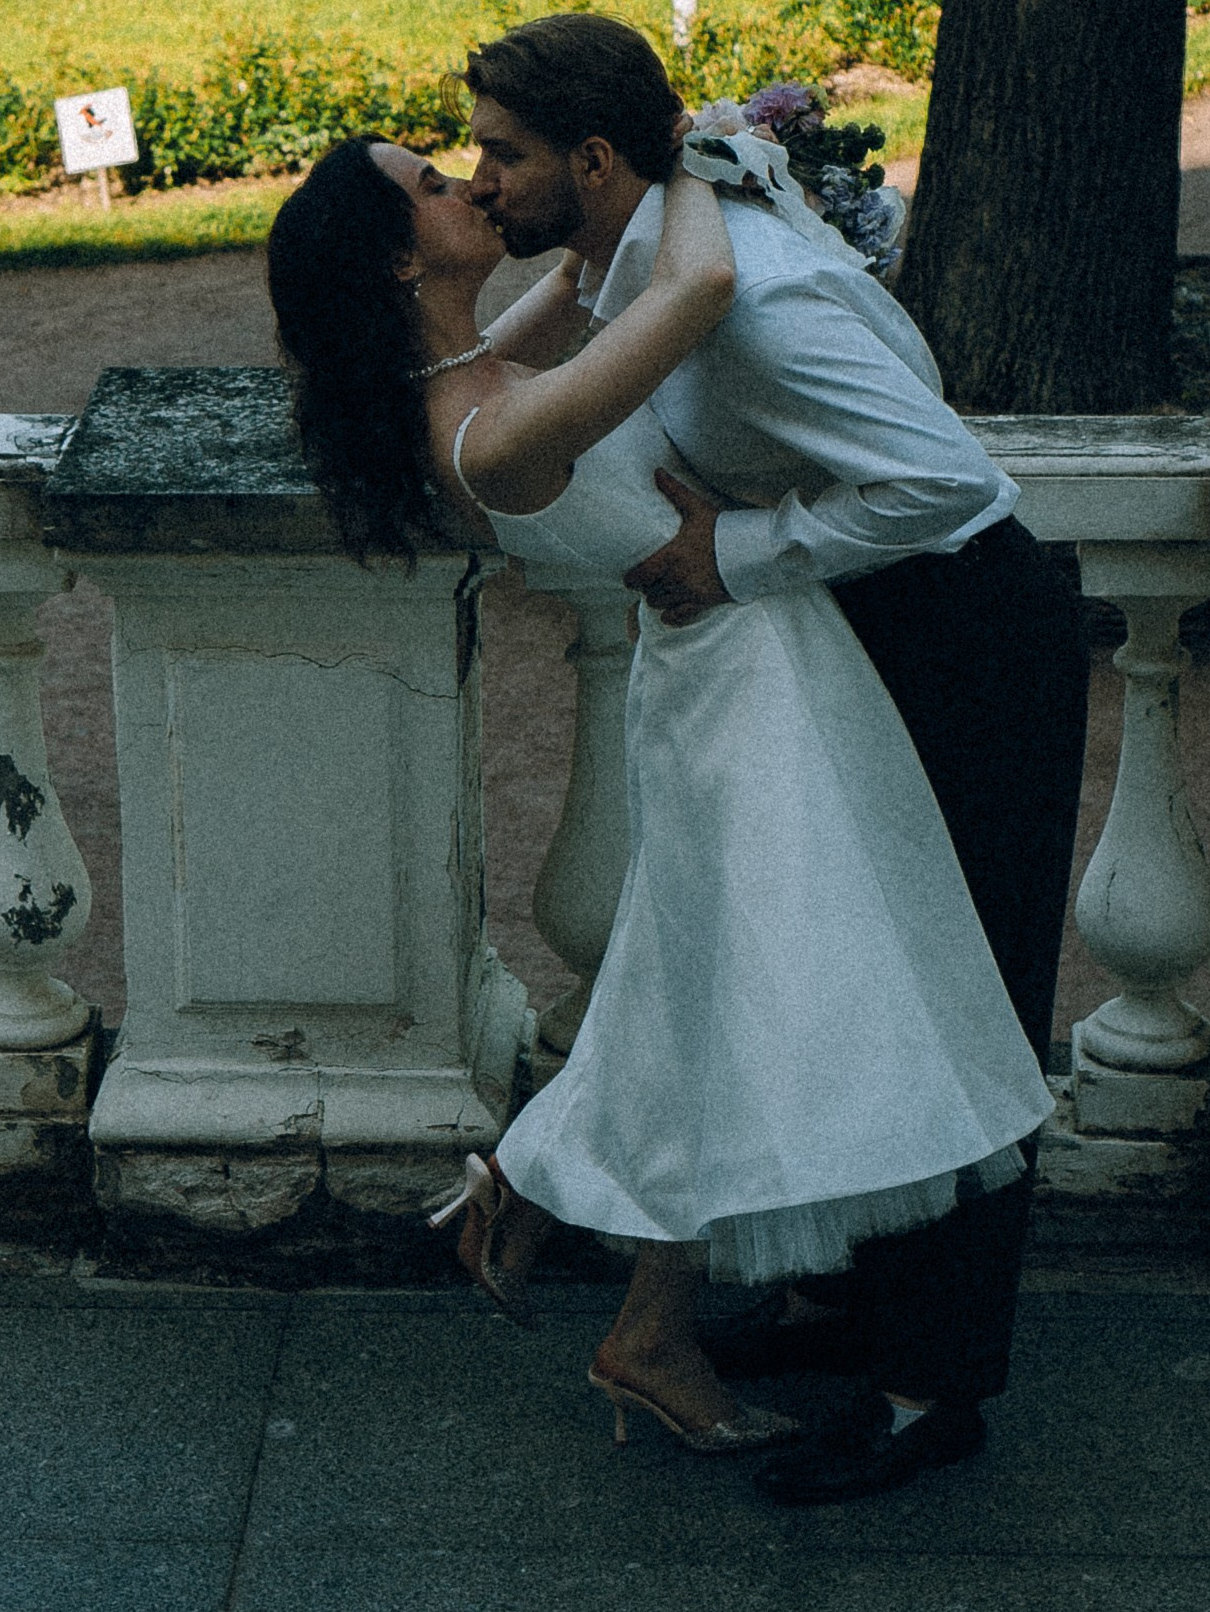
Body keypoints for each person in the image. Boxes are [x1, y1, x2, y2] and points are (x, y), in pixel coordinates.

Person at [265, 123, 1055, 1471]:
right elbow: (691, 295)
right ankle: (610, 1266)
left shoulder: (460, 368)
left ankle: (603, 1265)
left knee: (711, 997)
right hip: (745, 687)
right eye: (435, 188)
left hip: (738, 673)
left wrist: (680, 160)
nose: (469, 184)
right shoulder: (498, 429)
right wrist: (688, 160)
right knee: (766, 1001)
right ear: (399, 264)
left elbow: (578, 291)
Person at [460, 12, 1090, 1502]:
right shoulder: (653, 250)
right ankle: (859, 1310)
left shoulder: (754, 303)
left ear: (595, 159)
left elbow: (948, 473)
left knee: (951, 1000)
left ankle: (933, 1393)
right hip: (871, 628)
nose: (480, 178)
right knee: (847, 978)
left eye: (502, 152)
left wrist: (740, 553)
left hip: (963, 638)